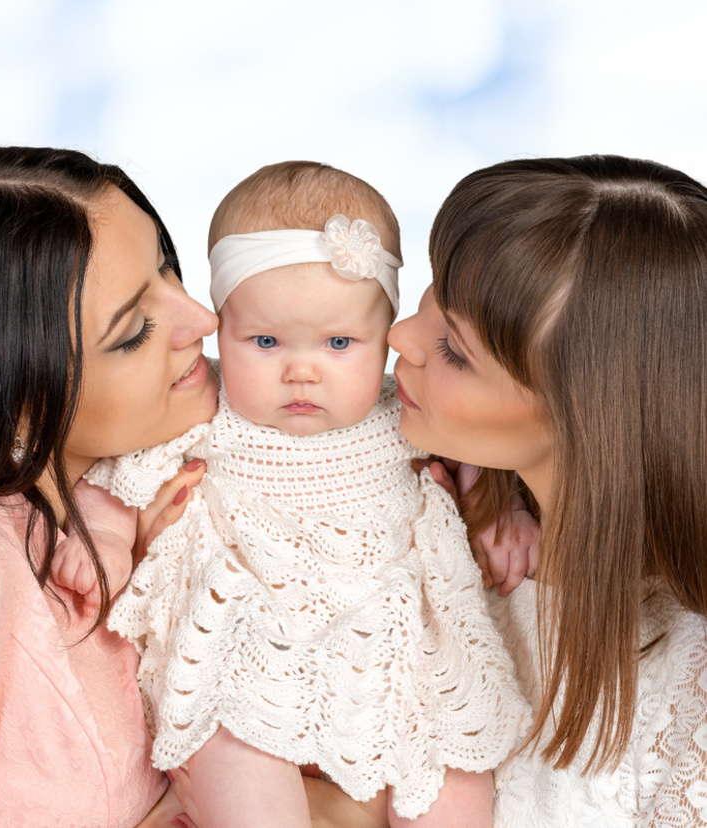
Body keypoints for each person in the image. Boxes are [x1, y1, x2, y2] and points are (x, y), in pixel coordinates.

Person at [53, 161, 530, 827]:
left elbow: (476, 452)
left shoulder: (404, 411)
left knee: (455, 762)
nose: (300, 370)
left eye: (339, 343)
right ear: (221, 328)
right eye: (266, 341)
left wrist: (501, 515)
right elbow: (124, 474)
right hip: (248, 642)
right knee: (233, 748)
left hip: (398, 647)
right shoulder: (204, 411)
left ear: (387, 332)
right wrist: (102, 538)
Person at [0, 145, 220, 826]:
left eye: (167, 269)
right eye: (133, 332)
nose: (203, 319)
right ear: (8, 397)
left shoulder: (162, 469)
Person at [388, 154, 707, 825]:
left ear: (590, 423)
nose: (399, 337)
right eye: (434, 289)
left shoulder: (687, 688)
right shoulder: (403, 480)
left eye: (454, 351)